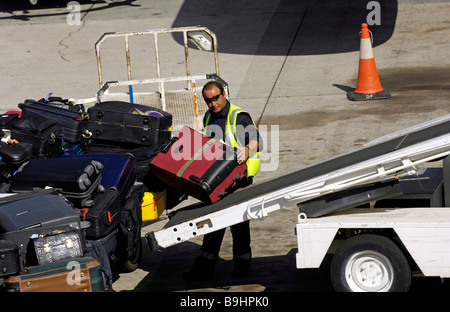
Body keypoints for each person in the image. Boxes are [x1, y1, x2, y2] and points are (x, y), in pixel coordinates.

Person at [184, 80, 263, 278]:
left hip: (240, 179)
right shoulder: (209, 116)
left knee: (239, 224)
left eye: (216, 98)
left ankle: (242, 266)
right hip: (218, 179)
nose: (213, 103)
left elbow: (257, 141)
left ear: (224, 94)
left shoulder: (238, 116)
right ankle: (206, 265)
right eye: (208, 100)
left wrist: (246, 149)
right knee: (214, 221)